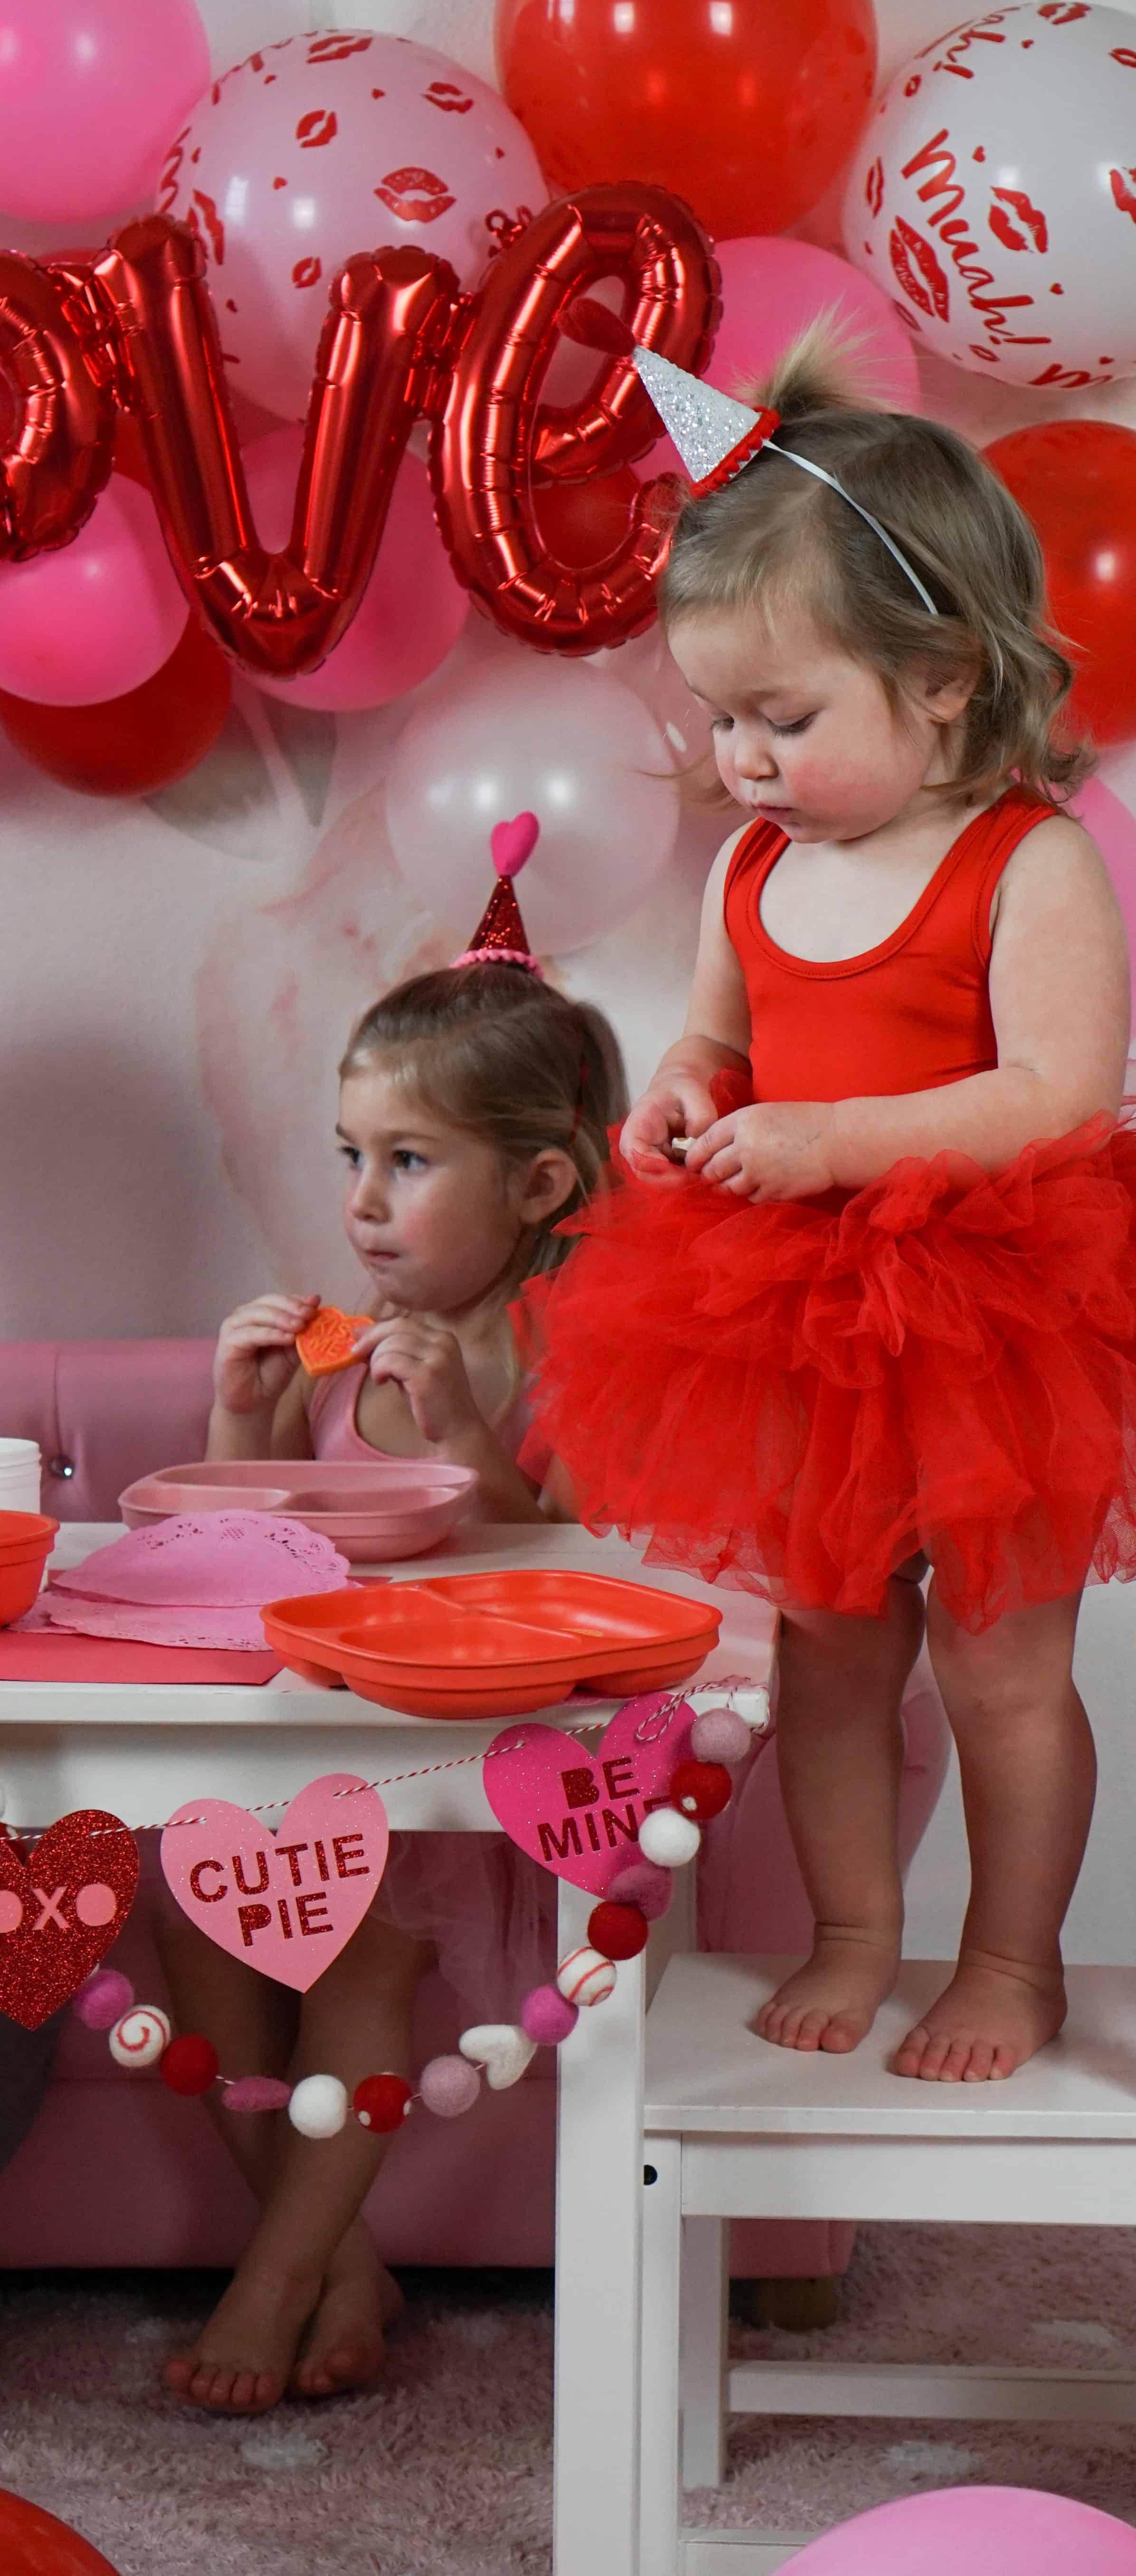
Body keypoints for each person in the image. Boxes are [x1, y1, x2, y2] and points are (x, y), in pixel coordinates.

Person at [528, 333, 1136, 2089]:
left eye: (784, 716)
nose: (741, 762)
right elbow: (719, 1033)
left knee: (998, 1671)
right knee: (835, 1663)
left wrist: (832, 1140)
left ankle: (1009, 1964)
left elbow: (1049, 1095)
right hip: (789, 1316)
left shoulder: (1025, 860)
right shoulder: (758, 865)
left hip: (998, 1312)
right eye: (720, 722)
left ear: (941, 679)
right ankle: (854, 1931)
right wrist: (685, 1089)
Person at [156, 855, 623, 2414]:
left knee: (351, 1946)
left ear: (541, 1187)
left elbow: (550, 1556)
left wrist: (465, 1424)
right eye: (351, 1154)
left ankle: (277, 2276)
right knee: (196, 1949)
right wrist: (243, 1407)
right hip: (292, 1732)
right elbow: (241, 1539)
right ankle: (340, 2255)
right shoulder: (345, 1347)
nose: (360, 1201)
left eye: (409, 1162)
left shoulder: (568, 1348)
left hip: (442, 1764)